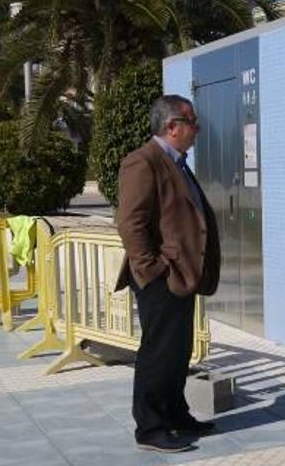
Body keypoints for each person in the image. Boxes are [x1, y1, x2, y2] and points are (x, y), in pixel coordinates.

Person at [115, 95, 221, 453]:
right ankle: (150, 427)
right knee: (158, 352)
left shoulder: (177, 162)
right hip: (162, 277)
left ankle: (176, 415)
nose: (198, 128)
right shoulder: (143, 161)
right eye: (192, 122)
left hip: (181, 275)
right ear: (171, 127)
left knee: (178, 351)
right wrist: (152, 270)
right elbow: (131, 223)